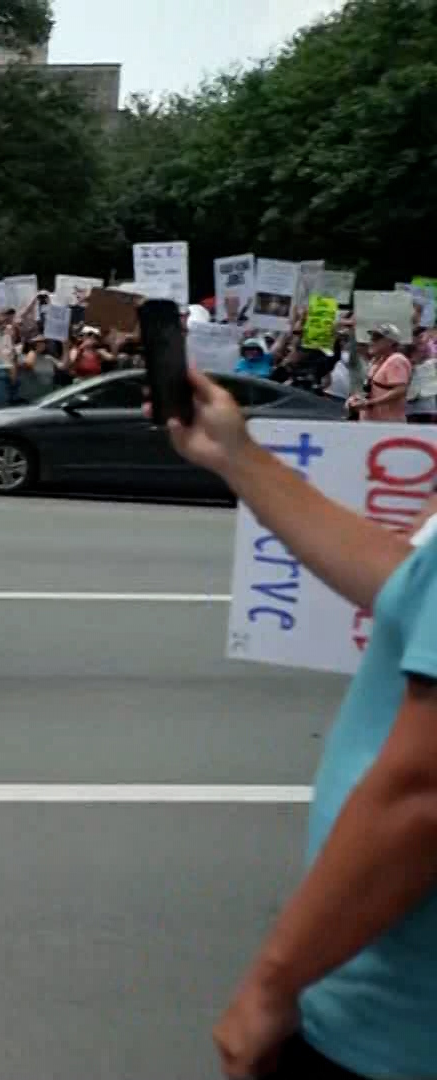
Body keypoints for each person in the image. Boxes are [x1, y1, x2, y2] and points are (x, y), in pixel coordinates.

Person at [162, 369, 437, 1080]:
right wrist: (235, 455)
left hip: (392, 1032)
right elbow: (405, 582)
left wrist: (271, 986)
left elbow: (423, 793)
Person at [351, 325, 411, 423]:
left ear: (391, 342)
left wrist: (370, 403)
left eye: (376, 338)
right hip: (371, 422)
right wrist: (356, 399)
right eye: (371, 338)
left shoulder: (396, 360)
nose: (371, 342)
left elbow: (400, 390)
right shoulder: (376, 361)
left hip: (388, 424)